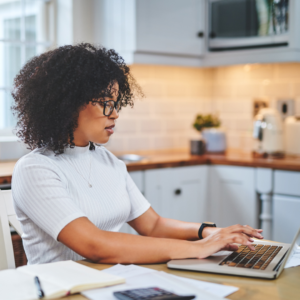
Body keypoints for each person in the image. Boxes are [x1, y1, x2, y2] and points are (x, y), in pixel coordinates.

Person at [12, 43, 263, 265]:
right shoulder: (35, 169)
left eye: (116, 103)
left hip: (109, 284)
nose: (115, 114)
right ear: (68, 103)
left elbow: (152, 225)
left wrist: (209, 233)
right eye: (105, 103)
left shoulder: (108, 161)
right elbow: (94, 245)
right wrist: (197, 249)